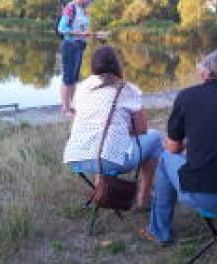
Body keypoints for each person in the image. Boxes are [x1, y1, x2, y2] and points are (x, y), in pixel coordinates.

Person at [139, 50, 217, 245]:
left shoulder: (188, 96)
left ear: (203, 73)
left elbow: (173, 148)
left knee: (165, 159)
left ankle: (159, 231)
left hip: (204, 195)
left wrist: (176, 144)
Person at [63, 45, 163, 209]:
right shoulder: (128, 89)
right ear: (117, 65)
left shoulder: (82, 87)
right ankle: (144, 199)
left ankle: (100, 188)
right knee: (154, 138)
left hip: (76, 159)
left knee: (103, 141)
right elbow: (141, 130)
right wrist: (123, 129)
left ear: (93, 65)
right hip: (111, 161)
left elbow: (81, 116)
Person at [58, 0, 118, 117]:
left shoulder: (84, 5)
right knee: (67, 78)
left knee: (74, 77)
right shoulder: (70, 8)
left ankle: (71, 106)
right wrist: (80, 34)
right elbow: (61, 28)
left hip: (79, 46)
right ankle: (65, 108)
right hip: (70, 46)